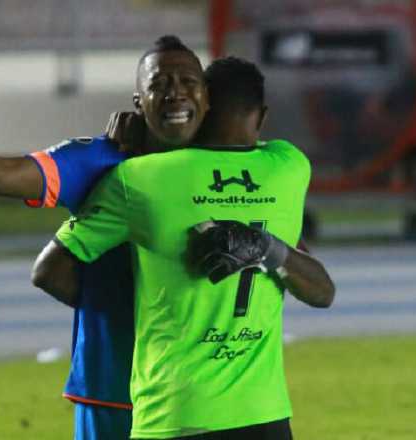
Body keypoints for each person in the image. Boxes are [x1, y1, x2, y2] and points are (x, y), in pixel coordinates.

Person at [0, 35, 213, 440]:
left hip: (205, 392)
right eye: (159, 84)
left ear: (207, 98)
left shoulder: (233, 169)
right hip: (114, 388)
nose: (175, 94)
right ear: (139, 102)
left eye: (188, 82)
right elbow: (0, 176)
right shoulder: (101, 158)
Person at [36, 56, 335, 439]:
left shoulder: (141, 176)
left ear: (202, 106)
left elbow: (48, 271)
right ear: (261, 116)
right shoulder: (289, 167)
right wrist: (266, 247)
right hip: (264, 415)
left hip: (172, 414)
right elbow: (323, 292)